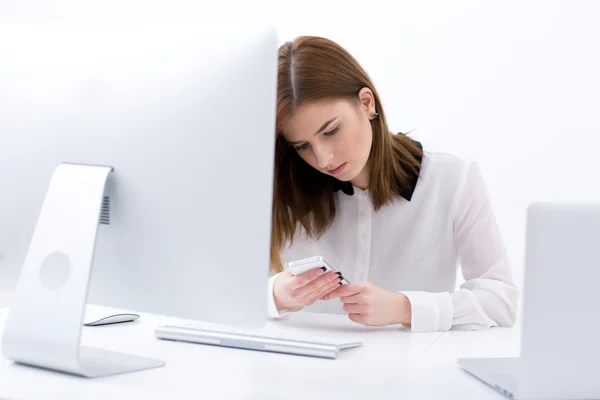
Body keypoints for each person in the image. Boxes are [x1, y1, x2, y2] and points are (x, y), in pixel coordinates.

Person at [267, 36, 519, 332]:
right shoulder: (285, 184)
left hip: (411, 375)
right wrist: (273, 295)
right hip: (300, 374)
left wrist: (405, 308)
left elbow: (501, 301)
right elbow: (225, 293)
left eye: (332, 130)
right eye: (302, 146)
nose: (323, 159)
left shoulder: (451, 177)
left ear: (366, 103)